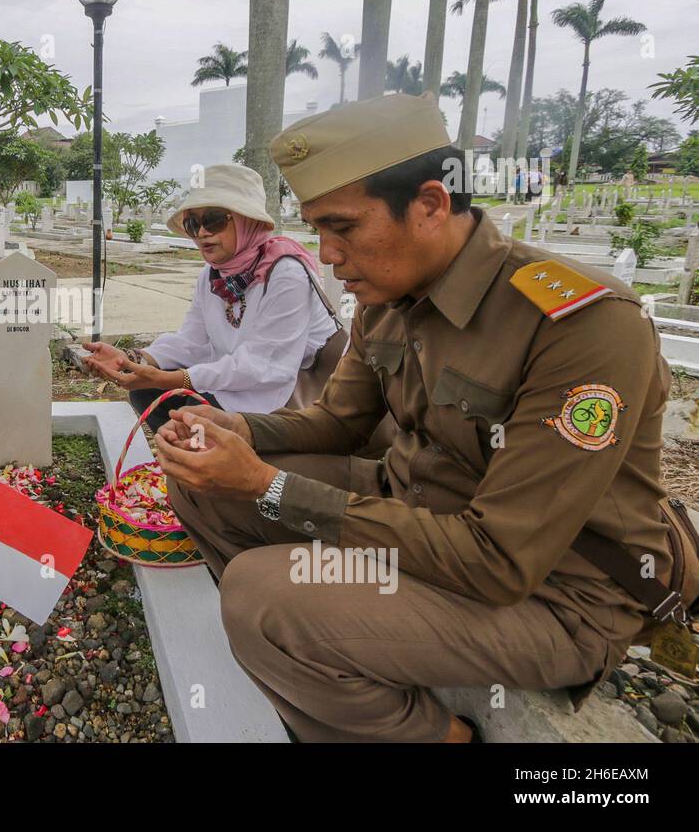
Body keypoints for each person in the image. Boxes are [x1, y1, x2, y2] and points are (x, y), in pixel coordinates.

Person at [152, 92, 677, 742]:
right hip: (416, 512)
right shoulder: (390, 295)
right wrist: (240, 432)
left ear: (430, 204)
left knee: (261, 598)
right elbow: (339, 424)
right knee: (201, 489)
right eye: (317, 228)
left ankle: (431, 734)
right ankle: (329, 651)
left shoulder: (579, 326)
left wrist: (269, 486)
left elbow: (499, 561)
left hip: (550, 594)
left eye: (342, 227)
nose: (325, 253)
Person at [83, 164, 339, 433]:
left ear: (247, 221)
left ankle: (228, 467)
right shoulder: (213, 275)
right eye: (193, 224)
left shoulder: (286, 273)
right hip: (236, 383)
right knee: (147, 394)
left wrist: (175, 379)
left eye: (214, 220)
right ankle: (203, 467)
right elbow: (194, 342)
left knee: (189, 414)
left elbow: (265, 366)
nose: (203, 232)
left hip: (284, 395)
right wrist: (133, 358)